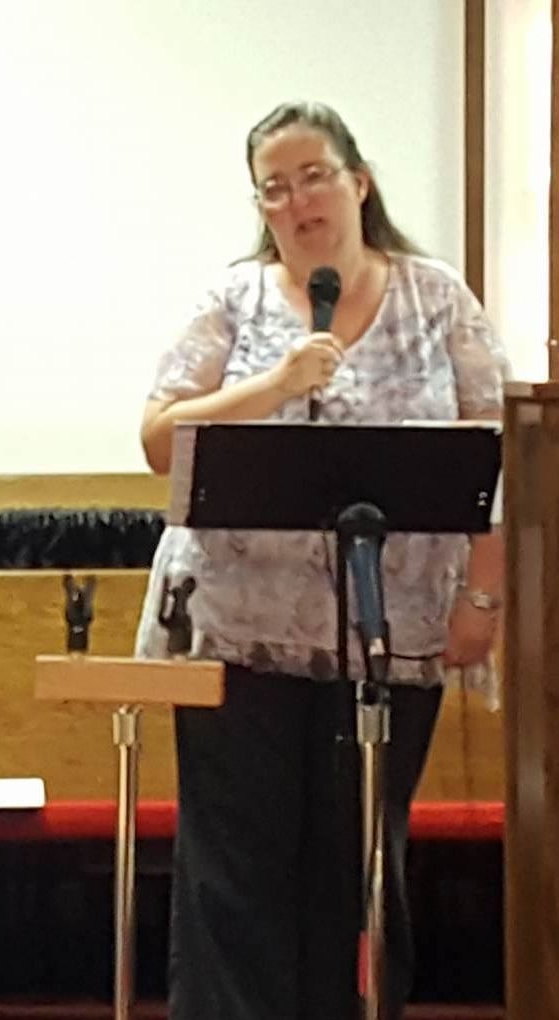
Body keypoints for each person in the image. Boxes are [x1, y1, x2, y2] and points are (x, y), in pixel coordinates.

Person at [135, 101, 508, 1020]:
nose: (296, 202)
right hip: (237, 638)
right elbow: (157, 439)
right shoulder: (233, 300)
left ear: (358, 183)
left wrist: (483, 598)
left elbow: (498, 454)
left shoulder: (435, 298)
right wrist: (273, 384)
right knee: (234, 880)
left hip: (389, 634)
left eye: (314, 178)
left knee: (356, 875)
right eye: (273, 188)